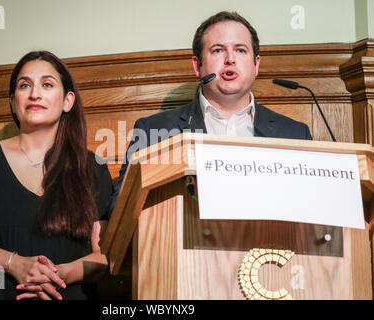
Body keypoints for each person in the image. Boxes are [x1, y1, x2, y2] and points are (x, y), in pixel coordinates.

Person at [0, 51, 113, 300]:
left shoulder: (93, 167)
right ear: (12, 101)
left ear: (67, 101)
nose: (35, 94)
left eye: (47, 84)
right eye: (24, 85)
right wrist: (14, 263)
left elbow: (103, 255)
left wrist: (60, 274)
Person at [108, 11, 312, 215]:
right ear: (197, 65)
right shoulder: (153, 130)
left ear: (256, 64)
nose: (230, 59)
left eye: (240, 50)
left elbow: (311, 207)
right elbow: (121, 209)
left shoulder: (295, 133)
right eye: (217, 51)